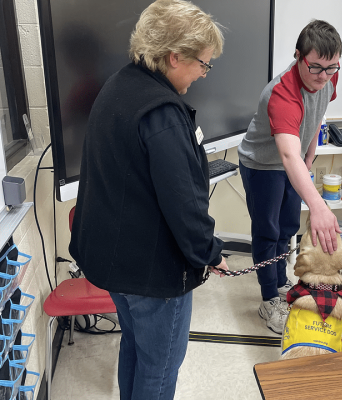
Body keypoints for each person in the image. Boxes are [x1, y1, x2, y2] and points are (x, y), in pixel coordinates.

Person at [68, 1, 228, 398]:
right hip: (153, 274)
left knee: (135, 350)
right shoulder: (162, 113)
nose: (204, 74)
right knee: (159, 369)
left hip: (115, 263)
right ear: (175, 56)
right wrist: (211, 253)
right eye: (203, 64)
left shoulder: (119, 85)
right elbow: (186, 204)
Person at [238, 20, 342, 334]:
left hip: (294, 159)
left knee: (287, 228)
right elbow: (286, 155)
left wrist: (311, 155)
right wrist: (320, 206)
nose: (323, 77)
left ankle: (280, 283)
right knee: (268, 232)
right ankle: (268, 299)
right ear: (298, 56)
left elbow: (317, 113)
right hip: (262, 165)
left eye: (331, 68)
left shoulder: (328, 75)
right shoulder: (281, 94)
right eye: (315, 68)